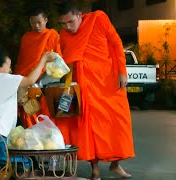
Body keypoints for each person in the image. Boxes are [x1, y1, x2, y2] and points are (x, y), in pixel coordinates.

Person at [57, 2, 135, 179]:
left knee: (118, 123)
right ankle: (95, 170)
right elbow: (65, 60)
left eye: (70, 22)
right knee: (90, 128)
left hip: (109, 81)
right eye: (63, 23)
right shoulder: (64, 34)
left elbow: (116, 44)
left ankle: (116, 164)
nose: (67, 27)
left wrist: (122, 71)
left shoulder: (98, 19)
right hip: (85, 85)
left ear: (79, 15)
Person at [0, 50, 57, 169]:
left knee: (23, 165)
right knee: (25, 166)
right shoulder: (0, 78)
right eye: (8, 67)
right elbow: (30, 80)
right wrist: (44, 59)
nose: (10, 71)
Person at [15, 7, 62, 128]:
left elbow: (58, 59)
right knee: (27, 112)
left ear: (46, 20)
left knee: (43, 113)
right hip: (26, 81)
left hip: (44, 80)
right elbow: (22, 60)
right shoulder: (26, 37)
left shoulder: (52, 34)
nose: (36, 25)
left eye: (39, 22)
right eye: (33, 22)